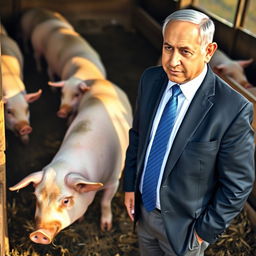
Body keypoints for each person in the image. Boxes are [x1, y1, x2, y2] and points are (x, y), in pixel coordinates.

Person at [123, 8, 255, 256]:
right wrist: (130, 185)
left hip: (185, 229)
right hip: (142, 211)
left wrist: (204, 231)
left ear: (208, 51)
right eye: (167, 47)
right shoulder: (151, 80)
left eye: (185, 51)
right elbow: (138, 137)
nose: (172, 61)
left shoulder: (232, 109)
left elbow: (238, 184)